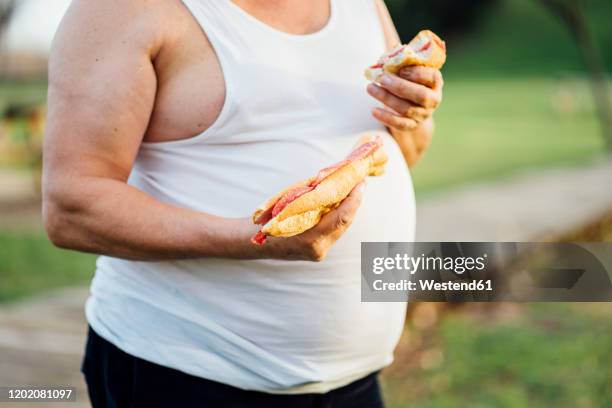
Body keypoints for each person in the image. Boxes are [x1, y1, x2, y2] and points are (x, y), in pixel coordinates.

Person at [43, 0, 444, 406]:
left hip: (354, 381)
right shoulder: (121, 11)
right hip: (189, 375)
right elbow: (72, 208)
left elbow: (403, 153)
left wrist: (413, 112)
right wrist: (252, 237)